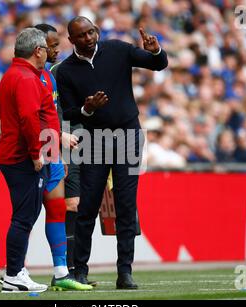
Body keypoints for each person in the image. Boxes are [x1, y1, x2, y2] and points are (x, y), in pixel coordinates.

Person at [56, 16, 168, 289]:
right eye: (82, 35)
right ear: (71, 41)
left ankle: (125, 273)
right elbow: (69, 112)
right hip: (94, 141)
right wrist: (88, 109)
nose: (89, 38)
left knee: (126, 205)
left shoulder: (118, 49)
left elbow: (158, 64)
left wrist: (155, 50)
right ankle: (80, 271)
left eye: (91, 31)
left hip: (128, 136)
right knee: (88, 207)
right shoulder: (66, 70)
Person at [0, 27, 60, 293]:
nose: (49, 53)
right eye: (46, 48)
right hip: (23, 156)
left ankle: (14, 271)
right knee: (24, 217)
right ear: (38, 51)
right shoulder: (25, 78)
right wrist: (38, 152)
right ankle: (13, 273)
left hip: (15, 153)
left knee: (25, 215)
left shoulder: (14, 74)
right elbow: (29, 118)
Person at [33, 23, 92, 291]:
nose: (58, 49)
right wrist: (59, 140)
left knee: (72, 205)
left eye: (58, 44)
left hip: (65, 146)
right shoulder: (44, 75)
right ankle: (60, 270)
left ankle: (70, 270)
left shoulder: (52, 75)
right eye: (52, 45)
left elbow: (62, 112)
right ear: (39, 48)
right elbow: (44, 116)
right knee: (54, 208)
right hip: (50, 149)